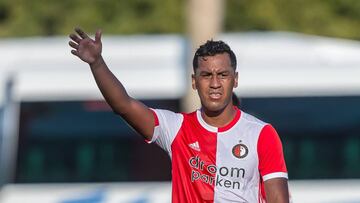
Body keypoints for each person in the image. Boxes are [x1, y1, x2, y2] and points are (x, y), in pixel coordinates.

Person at [69, 28, 289, 203]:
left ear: (235, 79)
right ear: (194, 81)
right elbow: (124, 106)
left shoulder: (261, 133)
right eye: (206, 75)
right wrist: (97, 64)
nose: (214, 83)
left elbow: (278, 199)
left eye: (223, 75)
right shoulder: (176, 128)